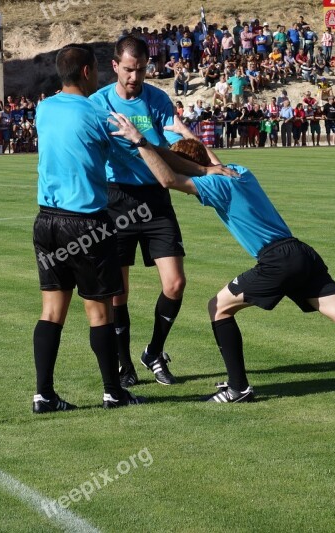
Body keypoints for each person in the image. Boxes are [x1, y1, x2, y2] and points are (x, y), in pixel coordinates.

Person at [108, 113, 335, 406]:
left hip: (277, 261)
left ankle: (238, 388)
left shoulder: (215, 185)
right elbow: (209, 160)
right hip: (302, 254)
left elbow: (168, 179)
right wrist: (186, 132)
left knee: (217, 307)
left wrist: (139, 141)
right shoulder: (238, 172)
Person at [89, 36, 232, 388]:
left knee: (176, 282)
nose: (134, 77)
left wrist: (210, 164)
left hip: (156, 196)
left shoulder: (157, 100)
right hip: (117, 198)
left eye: (140, 70)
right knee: (118, 292)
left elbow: (179, 144)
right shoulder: (98, 103)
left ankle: (153, 351)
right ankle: (124, 365)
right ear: (115, 67)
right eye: (128, 70)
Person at [32, 44, 143, 413]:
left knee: (51, 312)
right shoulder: (99, 112)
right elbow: (124, 153)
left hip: (46, 220)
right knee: (100, 312)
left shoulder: (43, 109)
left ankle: (43, 394)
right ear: (85, 72)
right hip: (86, 223)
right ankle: (114, 391)